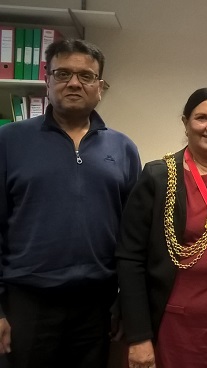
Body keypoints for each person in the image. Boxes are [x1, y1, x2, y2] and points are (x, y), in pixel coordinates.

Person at [0, 39, 141, 367]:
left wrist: (125, 303)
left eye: (86, 76)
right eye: (63, 73)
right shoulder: (9, 141)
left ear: (100, 87)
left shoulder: (123, 148)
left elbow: (132, 238)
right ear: (47, 80)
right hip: (27, 302)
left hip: (97, 306)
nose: (74, 82)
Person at [116, 88, 207, 368]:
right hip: (173, 323)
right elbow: (130, 259)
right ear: (185, 123)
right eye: (201, 118)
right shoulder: (158, 176)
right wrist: (139, 336)